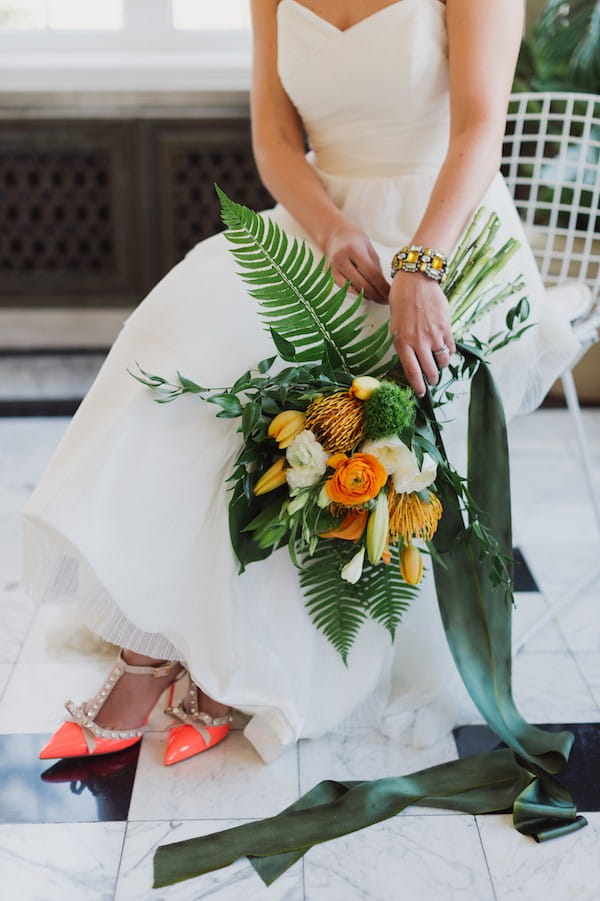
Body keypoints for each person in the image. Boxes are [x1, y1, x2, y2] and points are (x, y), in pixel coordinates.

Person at [23, 0, 579, 765]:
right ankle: (149, 648)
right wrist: (329, 228)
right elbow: (277, 140)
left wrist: (422, 264)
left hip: (448, 233)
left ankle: (228, 669)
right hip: (325, 224)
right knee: (180, 335)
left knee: (303, 387)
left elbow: (482, 127)